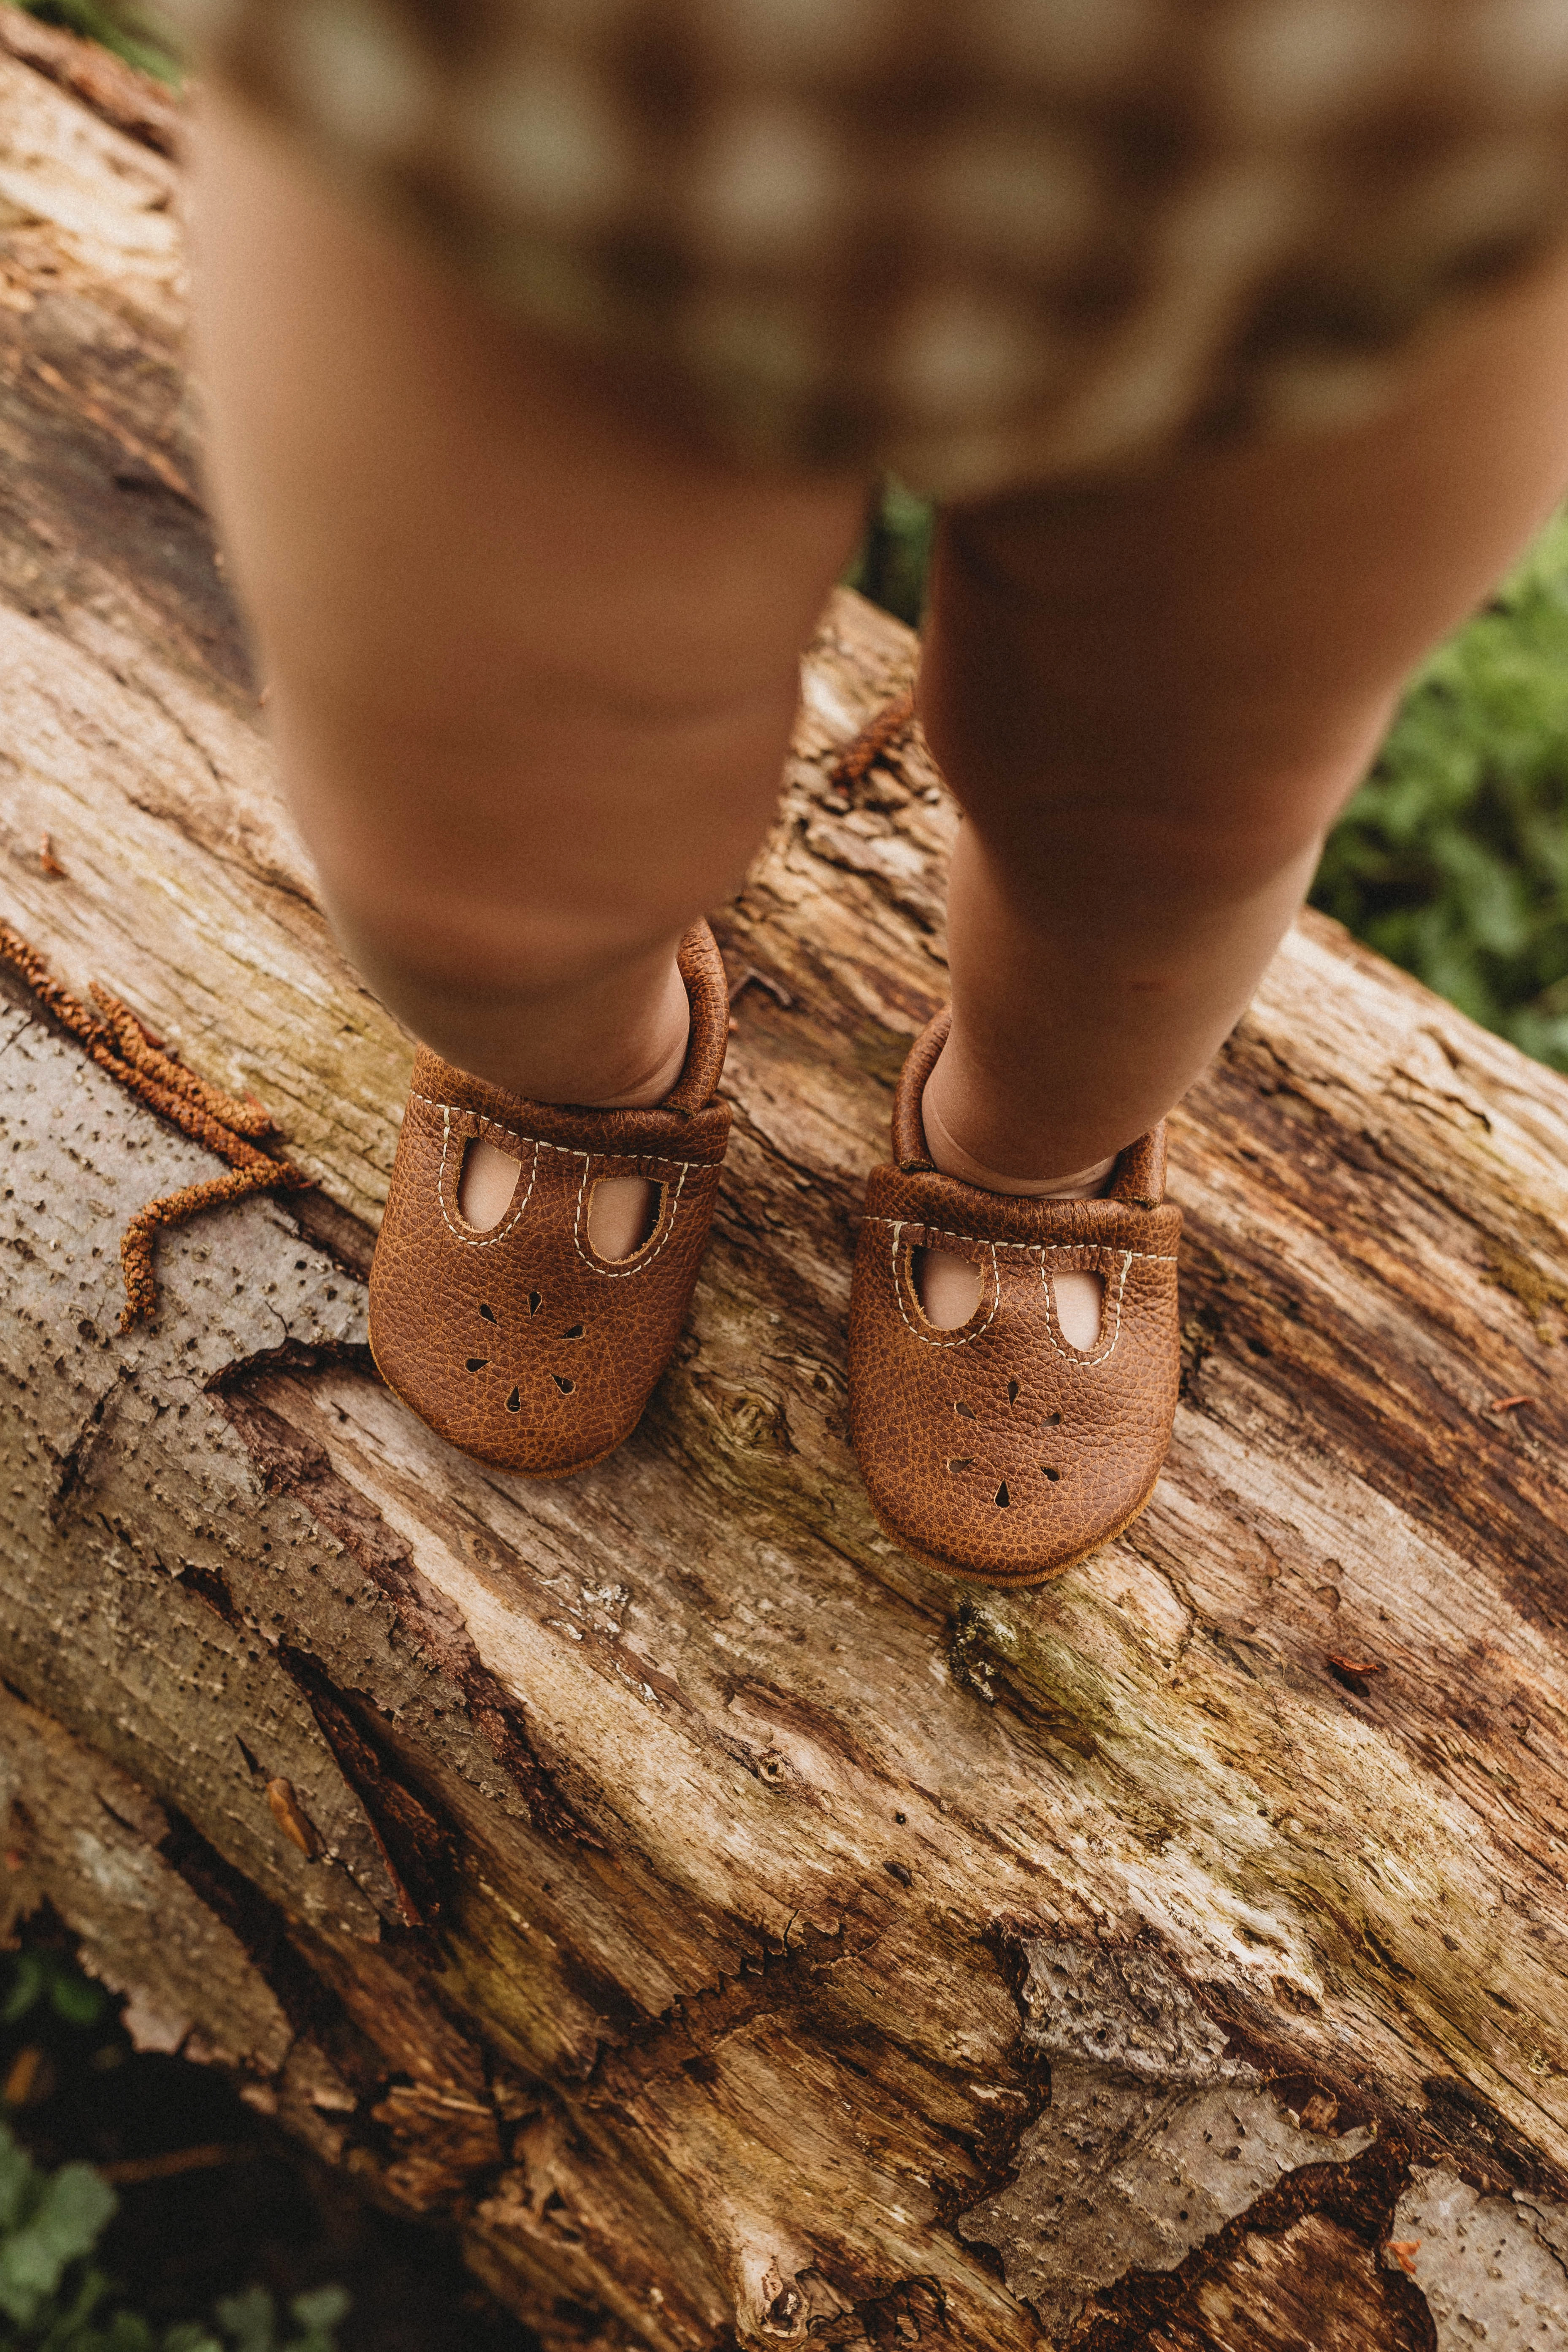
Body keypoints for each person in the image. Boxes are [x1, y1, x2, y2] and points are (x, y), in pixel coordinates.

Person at [178, 0, 1568, 1582]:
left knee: (1165, 824)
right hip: (532, 107)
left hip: (1349, 149)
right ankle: (585, 1063)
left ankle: (1033, 1145)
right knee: (476, 859)